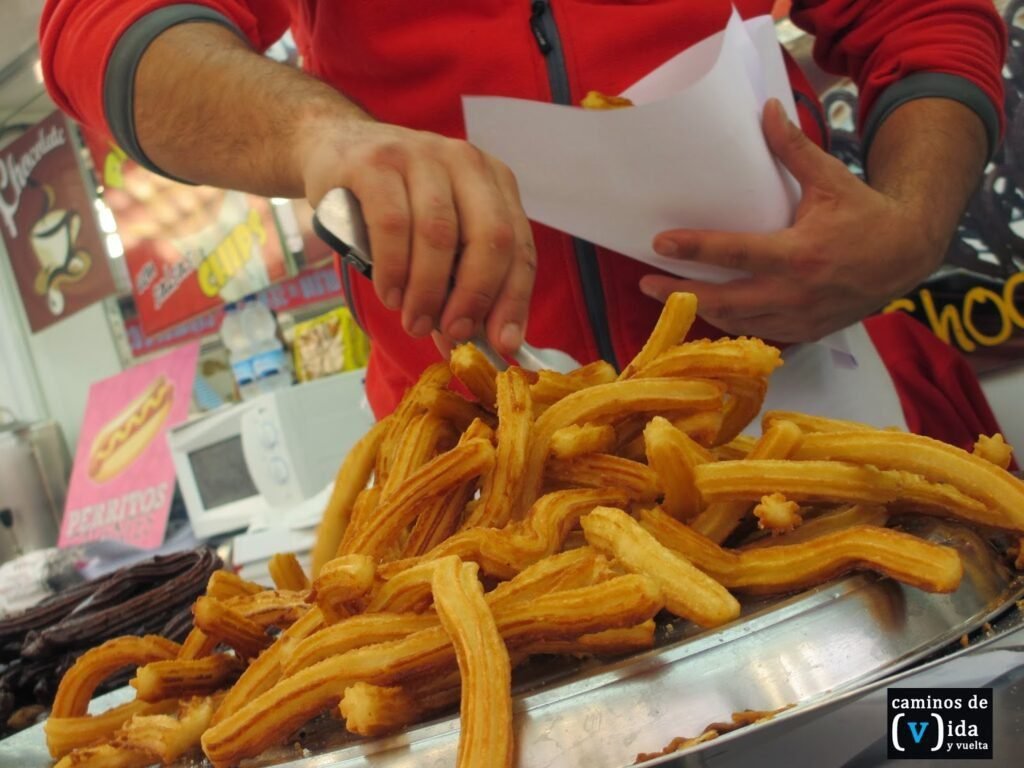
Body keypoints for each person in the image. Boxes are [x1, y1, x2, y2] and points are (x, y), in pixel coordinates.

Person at [41, 1, 1006, 425]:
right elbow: (100, 25)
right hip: (488, 474)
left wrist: (916, 221)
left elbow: (924, 15)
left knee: (940, 733)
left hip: (827, 407)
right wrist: (320, 138)